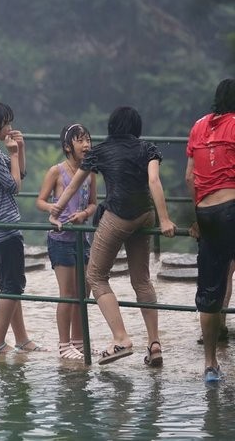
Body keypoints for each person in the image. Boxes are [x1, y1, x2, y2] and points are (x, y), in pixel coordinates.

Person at [50, 106, 176, 366]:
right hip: (145, 213)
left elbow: (74, 185)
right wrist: (164, 218)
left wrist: (57, 212)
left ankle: (121, 338)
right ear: (136, 127)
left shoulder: (102, 151)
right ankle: (154, 344)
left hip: (119, 215)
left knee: (95, 275)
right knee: (141, 280)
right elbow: (154, 181)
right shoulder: (148, 148)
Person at [0, 101, 46, 354]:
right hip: (5, 227)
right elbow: (15, 187)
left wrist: (20, 150)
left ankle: (22, 339)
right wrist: (13, 154)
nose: (9, 129)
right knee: (12, 286)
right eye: (6, 124)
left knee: (10, 285)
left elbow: (19, 173)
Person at [185, 78, 235, 383]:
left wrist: (197, 216)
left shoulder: (199, 126)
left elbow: (190, 177)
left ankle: (210, 364)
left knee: (210, 290)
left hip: (207, 212)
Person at [36, 123, 97, 359]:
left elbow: (93, 202)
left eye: (88, 140)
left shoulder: (91, 172)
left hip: (83, 238)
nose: (86, 145)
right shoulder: (56, 171)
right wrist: (54, 208)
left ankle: (79, 342)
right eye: (80, 140)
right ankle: (64, 345)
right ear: (67, 146)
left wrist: (84, 214)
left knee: (84, 292)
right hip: (61, 238)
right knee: (68, 293)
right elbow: (40, 201)